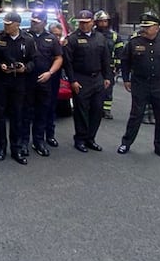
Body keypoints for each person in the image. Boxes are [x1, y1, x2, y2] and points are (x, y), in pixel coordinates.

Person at [118, 12, 160, 160]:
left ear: (157, 27)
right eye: (143, 27)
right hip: (140, 82)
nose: (145, 29)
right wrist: (126, 79)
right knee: (136, 114)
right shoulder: (135, 41)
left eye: (148, 27)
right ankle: (126, 143)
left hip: (159, 83)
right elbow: (125, 61)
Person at [0, 12, 36, 164]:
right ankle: (1, 148)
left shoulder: (27, 40)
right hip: (0, 80)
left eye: (9, 24)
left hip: (19, 82)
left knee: (17, 115)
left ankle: (16, 149)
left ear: (17, 25)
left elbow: (33, 60)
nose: (6, 26)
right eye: (5, 24)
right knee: (0, 115)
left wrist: (25, 68)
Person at [64, 10, 112, 153]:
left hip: (97, 78)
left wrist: (107, 77)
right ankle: (80, 138)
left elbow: (106, 59)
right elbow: (68, 62)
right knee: (81, 111)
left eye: (86, 23)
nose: (84, 26)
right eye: (81, 23)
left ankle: (91, 138)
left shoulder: (100, 38)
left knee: (97, 109)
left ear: (92, 22)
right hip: (81, 78)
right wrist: (72, 81)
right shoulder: (72, 39)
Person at [28, 11, 64, 157]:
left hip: (44, 81)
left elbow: (58, 58)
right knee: (25, 113)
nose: (33, 24)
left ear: (44, 22)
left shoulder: (51, 39)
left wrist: (50, 72)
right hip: (26, 81)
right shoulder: (25, 36)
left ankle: (38, 142)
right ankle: (23, 143)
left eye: (36, 22)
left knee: (42, 113)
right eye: (32, 21)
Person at [95, 10, 124, 120]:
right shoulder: (92, 34)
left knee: (108, 89)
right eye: (100, 22)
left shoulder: (114, 36)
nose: (103, 24)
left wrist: (117, 66)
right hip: (95, 67)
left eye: (105, 21)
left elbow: (119, 52)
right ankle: (96, 109)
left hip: (109, 68)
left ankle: (106, 110)